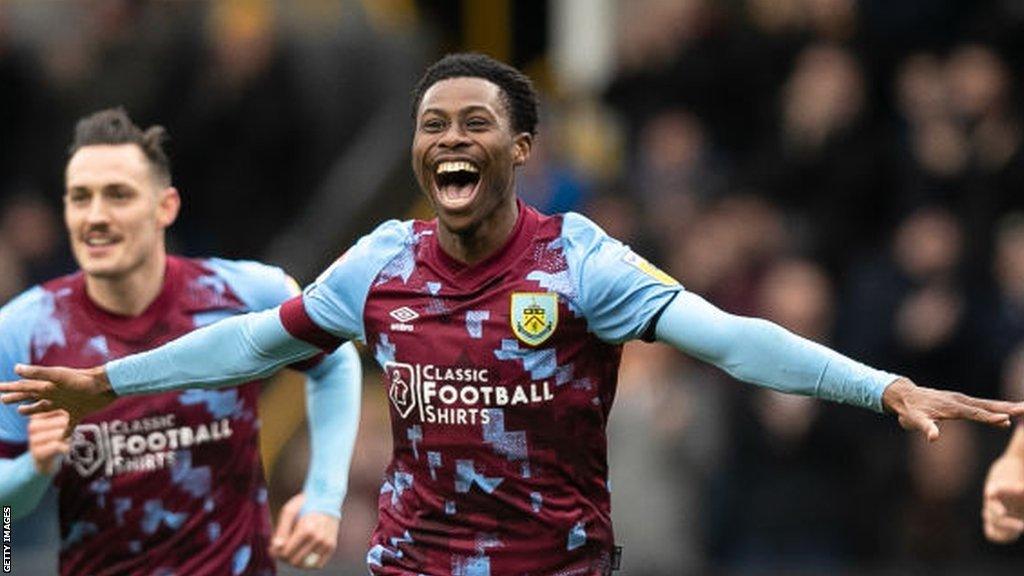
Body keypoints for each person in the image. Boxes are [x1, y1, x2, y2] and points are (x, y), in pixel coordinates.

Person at [3, 55, 1023, 576]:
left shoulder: (580, 263)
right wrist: (105, 382)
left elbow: (732, 340)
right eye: (431, 125)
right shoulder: (381, 263)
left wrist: (878, 384)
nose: (449, 139)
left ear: (521, 146)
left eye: (474, 124)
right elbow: (254, 343)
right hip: (409, 562)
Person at [0, 108, 362, 574]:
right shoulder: (24, 330)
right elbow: (7, 510)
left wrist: (323, 497)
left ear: (165, 206)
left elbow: (335, 362)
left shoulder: (244, 294)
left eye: (118, 196)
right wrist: (36, 466)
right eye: (79, 197)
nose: (95, 216)